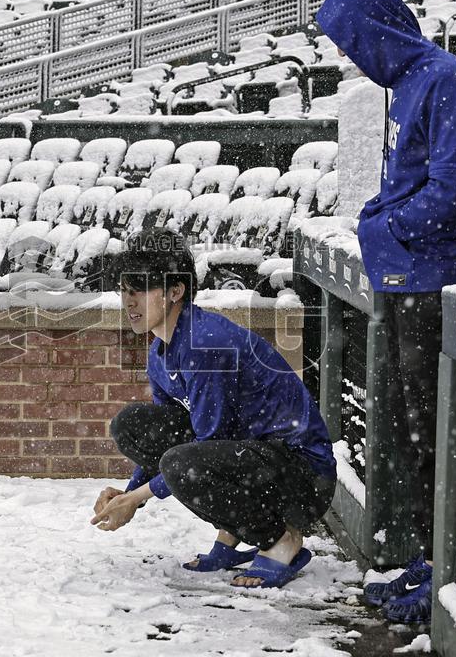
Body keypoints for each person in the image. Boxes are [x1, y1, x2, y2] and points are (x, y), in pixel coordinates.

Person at [314, 0, 456, 623]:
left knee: (436, 439)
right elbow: (412, 183)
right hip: (403, 283)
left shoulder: (443, 78)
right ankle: (430, 559)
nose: (346, 56)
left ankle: (450, 574)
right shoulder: (407, 84)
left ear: (376, 28)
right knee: (412, 437)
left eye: (350, 39)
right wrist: (376, 216)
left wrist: (383, 226)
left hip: (432, 287)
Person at [91, 229, 337, 590]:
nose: (129, 302)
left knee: (183, 463)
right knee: (132, 425)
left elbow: (201, 448)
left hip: (302, 476)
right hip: (253, 459)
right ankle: (232, 533)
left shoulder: (206, 344)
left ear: (176, 291)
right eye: (125, 290)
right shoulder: (160, 353)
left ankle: (281, 539)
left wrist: (136, 498)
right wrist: (129, 495)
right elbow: (172, 439)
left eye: (140, 290)